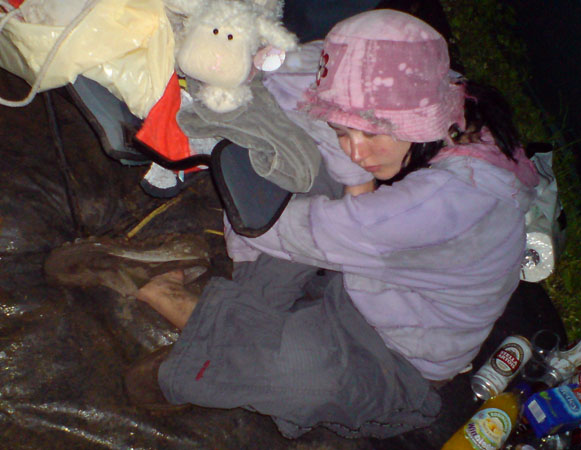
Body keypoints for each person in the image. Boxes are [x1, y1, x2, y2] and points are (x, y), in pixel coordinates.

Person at [73, 9, 541, 439]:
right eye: (344, 131)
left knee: (306, 380)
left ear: (417, 120)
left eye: (371, 134)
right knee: (305, 162)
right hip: (363, 268)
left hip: (397, 349)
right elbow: (296, 71)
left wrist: (251, 227)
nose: (358, 150)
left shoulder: (449, 202)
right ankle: (220, 335)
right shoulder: (440, 93)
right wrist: (242, 64)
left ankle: (189, 314)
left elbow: (304, 230)